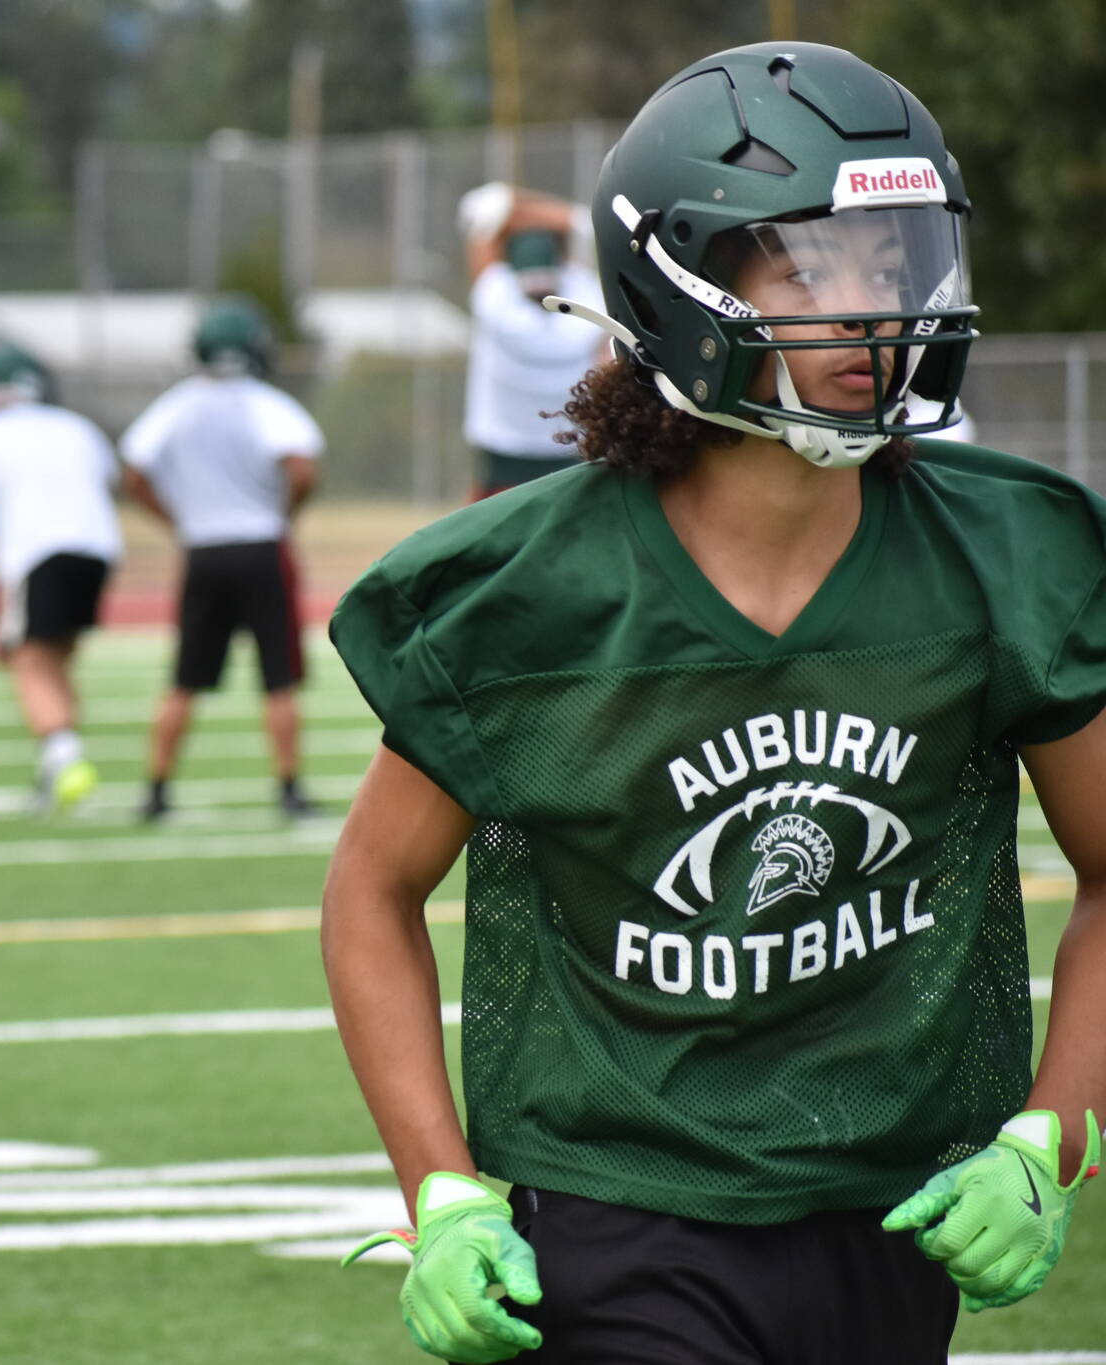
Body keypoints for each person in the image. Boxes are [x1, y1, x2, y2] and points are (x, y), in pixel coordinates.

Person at [323, 41, 1106, 1365]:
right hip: (619, 1210)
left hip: (892, 1204)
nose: (873, 307)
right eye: (809, 263)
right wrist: (442, 1192)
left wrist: (1050, 1137)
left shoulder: (1003, 556)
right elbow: (370, 891)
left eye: (892, 259)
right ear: (679, 280)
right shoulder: (530, 587)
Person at [121, 295, 323, 823]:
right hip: (260, 546)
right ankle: (289, 789)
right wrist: (283, 513)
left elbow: (134, 469)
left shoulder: (177, 404)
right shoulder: (267, 403)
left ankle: (157, 790)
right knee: (278, 676)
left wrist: (177, 519)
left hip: (204, 549)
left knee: (185, 676)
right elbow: (302, 467)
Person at [0, 336, 121, 810]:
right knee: (56, 658)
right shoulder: (79, 427)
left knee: (28, 662)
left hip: (35, 554)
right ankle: (54, 769)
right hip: (98, 551)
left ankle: (65, 757)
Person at [456, 182, 605, 496]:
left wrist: (511, 207)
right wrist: (574, 221)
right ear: (561, 267)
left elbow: (484, 222)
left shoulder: (496, 305)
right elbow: (580, 266)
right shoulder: (585, 312)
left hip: (504, 459)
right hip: (571, 452)